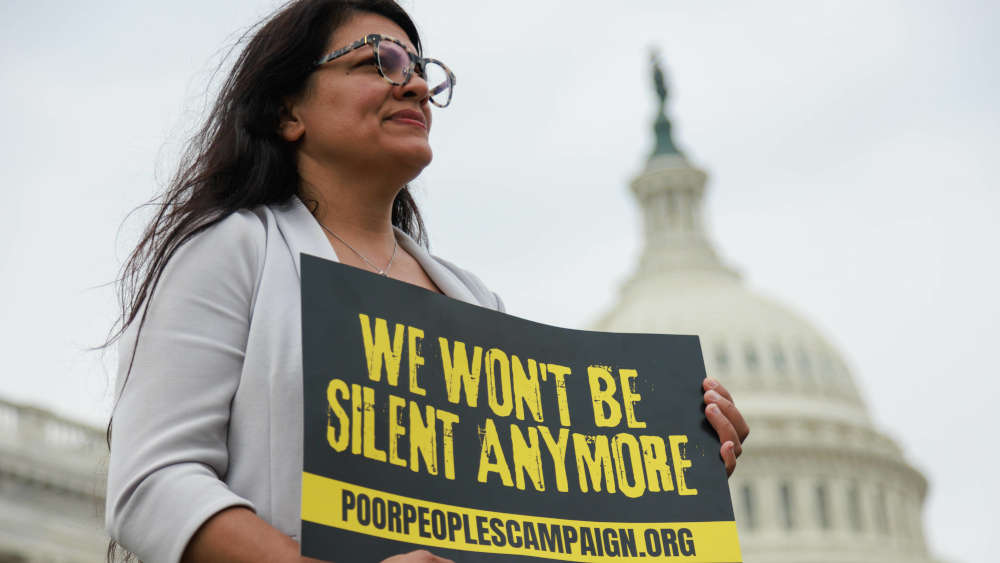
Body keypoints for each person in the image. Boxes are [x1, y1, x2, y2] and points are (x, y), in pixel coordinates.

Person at [104, 1, 750, 562]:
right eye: (377, 62)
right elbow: (153, 482)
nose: (413, 86)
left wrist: (669, 480)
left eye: (420, 71)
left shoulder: (474, 300)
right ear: (287, 110)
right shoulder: (232, 250)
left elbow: (529, 524)